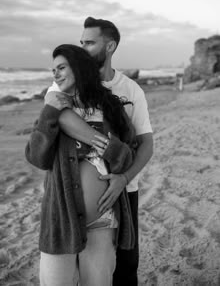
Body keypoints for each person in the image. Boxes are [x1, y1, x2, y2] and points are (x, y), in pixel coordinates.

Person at [51, 17, 153, 286]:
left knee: (126, 265)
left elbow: (146, 143)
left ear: (110, 46)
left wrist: (124, 177)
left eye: (89, 42)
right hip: (67, 192)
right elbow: (59, 116)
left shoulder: (131, 90)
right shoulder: (66, 81)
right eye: (81, 41)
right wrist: (107, 145)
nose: (82, 48)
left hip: (124, 190)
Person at [26, 44, 137, 286]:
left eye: (61, 67)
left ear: (79, 67)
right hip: (61, 220)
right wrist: (49, 113)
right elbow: (37, 158)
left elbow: (128, 155)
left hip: (103, 220)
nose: (55, 73)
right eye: (53, 69)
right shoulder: (53, 108)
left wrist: (103, 144)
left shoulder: (111, 107)